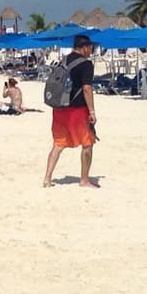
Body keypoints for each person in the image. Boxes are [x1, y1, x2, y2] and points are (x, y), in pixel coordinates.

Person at [43, 34, 97, 188]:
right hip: (77, 110)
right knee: (87, 144)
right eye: (91, 47)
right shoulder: (86, 65)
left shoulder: (64, 60)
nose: (91, 50)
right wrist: (92, 112)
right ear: (85, 47)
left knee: (58, 143)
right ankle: (84, 180)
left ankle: (47, 178)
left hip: (59, 108)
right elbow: (87, 89)